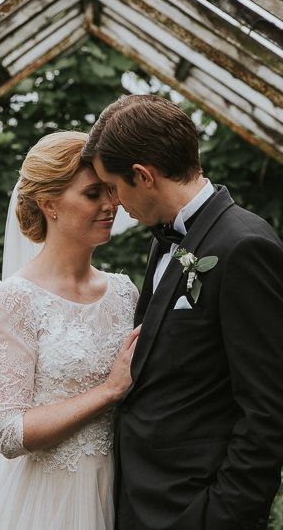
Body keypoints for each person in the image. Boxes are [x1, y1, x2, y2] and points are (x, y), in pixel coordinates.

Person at [83, 94, 283, 529]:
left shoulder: (244, 246)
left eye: (115, 188)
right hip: (139, 503)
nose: (115, 204)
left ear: (143, 175)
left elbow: (269, 409)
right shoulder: (164, 239)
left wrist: (222, 516)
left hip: (195, 510)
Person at [0, 130, 140, 529]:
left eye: (111, 191)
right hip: (42, 505)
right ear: (48, 204)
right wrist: (109, 392)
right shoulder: (12, 301)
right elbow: (10, 432)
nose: (111, 204)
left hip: (118, 493)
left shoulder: (124, 292)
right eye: (92, 194)